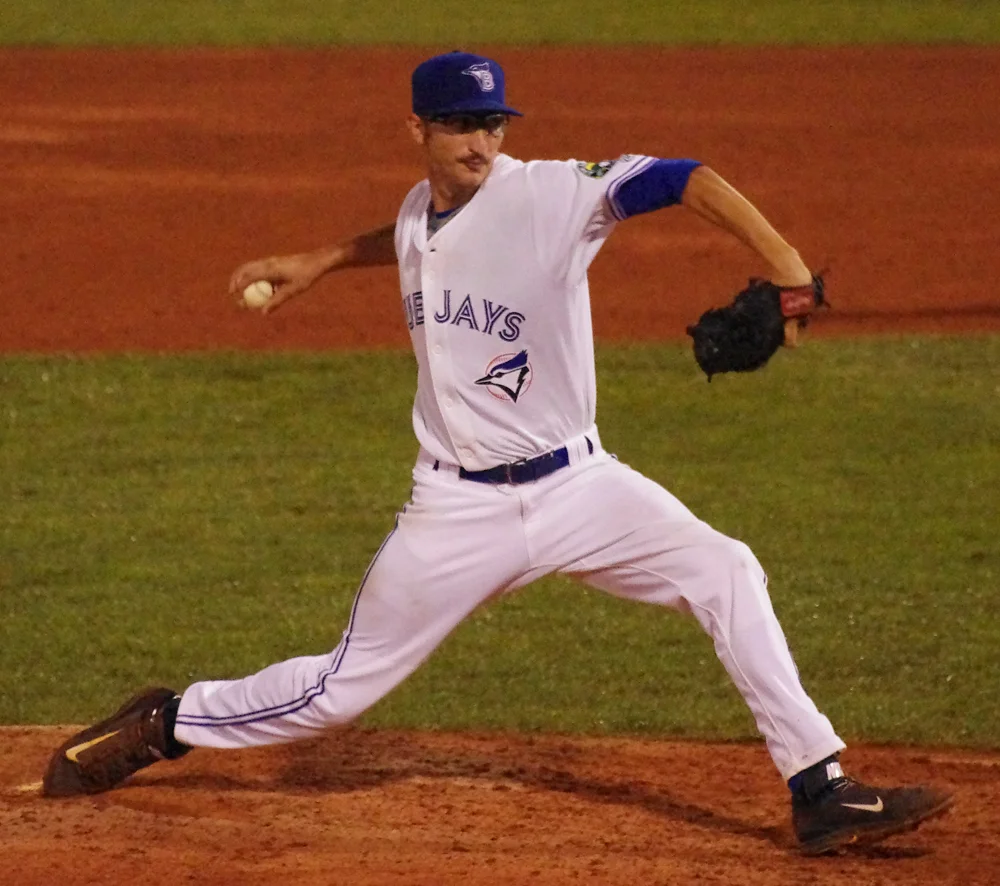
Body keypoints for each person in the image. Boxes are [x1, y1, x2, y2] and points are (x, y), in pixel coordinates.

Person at [42, 50, 952, 855]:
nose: (480, 142)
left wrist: (789, 266)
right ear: (418, 130)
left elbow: (684, 177)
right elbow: (415, 241)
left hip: (580, 487)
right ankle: (168, 721)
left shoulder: (550, 194)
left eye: (492, 123)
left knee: (726, 568)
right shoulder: (420, 209)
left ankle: (820, 790)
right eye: (460, 124)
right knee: (336, 694)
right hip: (457, 510)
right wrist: (322, 258)